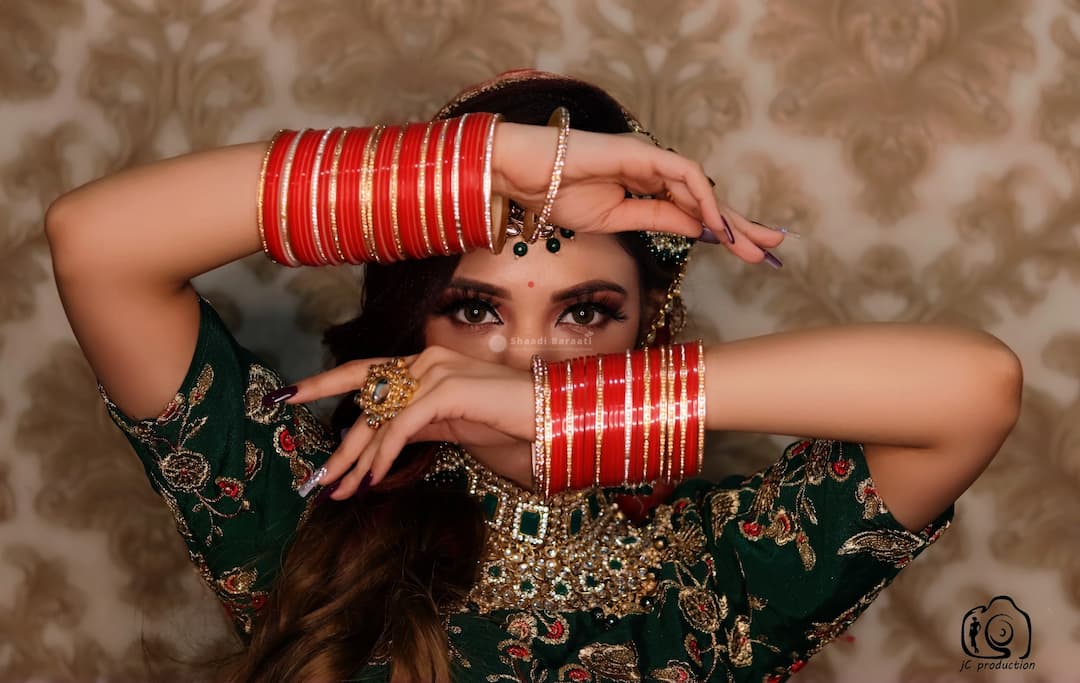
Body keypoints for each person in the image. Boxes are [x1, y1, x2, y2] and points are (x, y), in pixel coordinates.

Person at [44, 70, 1022, 683]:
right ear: (415, 325)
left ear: (649, 328)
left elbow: (974, 386)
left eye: (583, 313)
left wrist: (559, 409)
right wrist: (496, 165)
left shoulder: (726, 569)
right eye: (476, 310)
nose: (526, 356)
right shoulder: (305, 513)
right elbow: (96, 244)